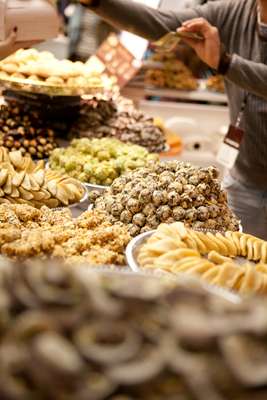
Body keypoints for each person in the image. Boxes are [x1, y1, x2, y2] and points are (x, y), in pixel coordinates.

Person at [80, 0, 267, 239]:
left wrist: (226, 63)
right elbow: (162, 24)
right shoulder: (235, 10)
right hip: (242, 180)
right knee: (238, 265)